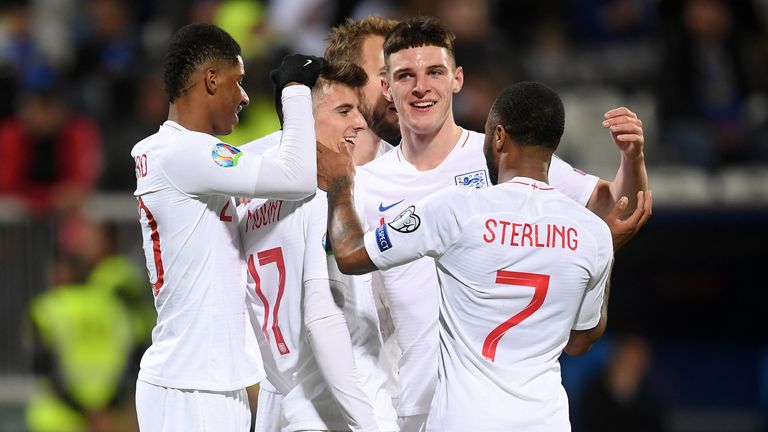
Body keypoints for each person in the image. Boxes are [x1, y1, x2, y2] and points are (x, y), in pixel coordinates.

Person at [347, 16, 651, 431]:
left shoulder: (503, 155)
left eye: (434, 72)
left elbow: (619, 206)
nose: (421, 87)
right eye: (405, 76)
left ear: (457, 79)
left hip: (479, 403)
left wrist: (632, 158)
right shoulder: (366, 183)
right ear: (387, 87)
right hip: (406, 401)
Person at [131, 22, 323, 431]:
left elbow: (260, 161)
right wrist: (295, 90)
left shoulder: (179, 154)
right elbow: (298, 177)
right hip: (192, 385)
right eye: (238, 81)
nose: (245, 96)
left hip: (204, 380)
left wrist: (293, 129)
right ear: (211, 80)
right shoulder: (184, 152)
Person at [238, 61, 385, 432]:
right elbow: (322, 317)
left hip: (284, 400)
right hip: (333, 407)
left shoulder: (249, 198)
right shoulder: (323, 191)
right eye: (344, 111)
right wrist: (367, 423)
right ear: (303, 116)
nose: (360, 122)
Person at [25, 253, 136, 432]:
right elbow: (133, 361)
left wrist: (82, 410)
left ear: (64, 274)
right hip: (109, 418)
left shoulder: (47, 308)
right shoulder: (115, 308)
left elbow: (41, 365)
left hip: (57, 418)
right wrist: (109, 406)